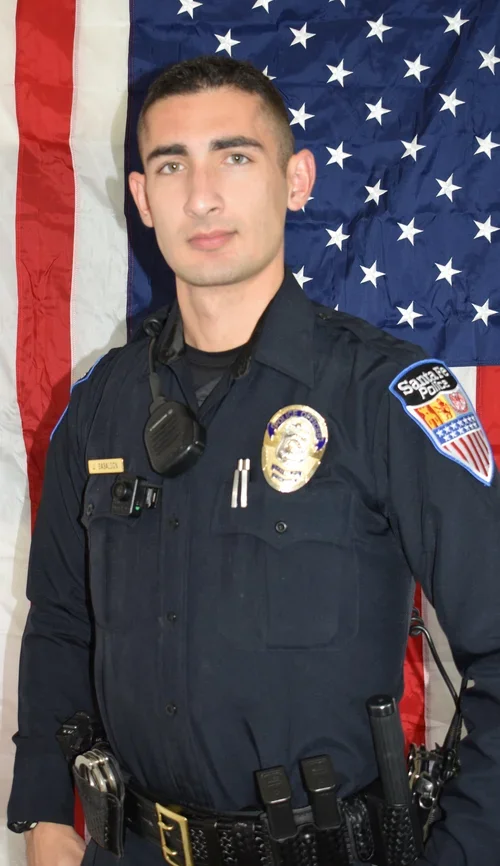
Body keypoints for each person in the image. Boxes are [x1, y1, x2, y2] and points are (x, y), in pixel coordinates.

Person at [7, 54, 500, 866]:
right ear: (142, 199)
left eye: (235, 157)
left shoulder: (385, 397)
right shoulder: (99, 405)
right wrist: (46, 816)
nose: (203, 195)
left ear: (296, 179)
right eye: (172, 164)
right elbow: (62, 622)